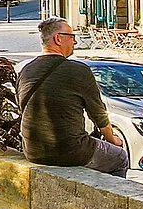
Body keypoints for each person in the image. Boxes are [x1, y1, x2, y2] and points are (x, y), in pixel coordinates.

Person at [17, 18, 129, 175]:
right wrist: (113, 140)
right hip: (70, 151)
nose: (74, 42)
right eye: (71, 36)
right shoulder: (78, 71)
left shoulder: (26, 70)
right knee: (120, 157)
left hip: (33, 151)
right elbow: (98, 114)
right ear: (58, 38)